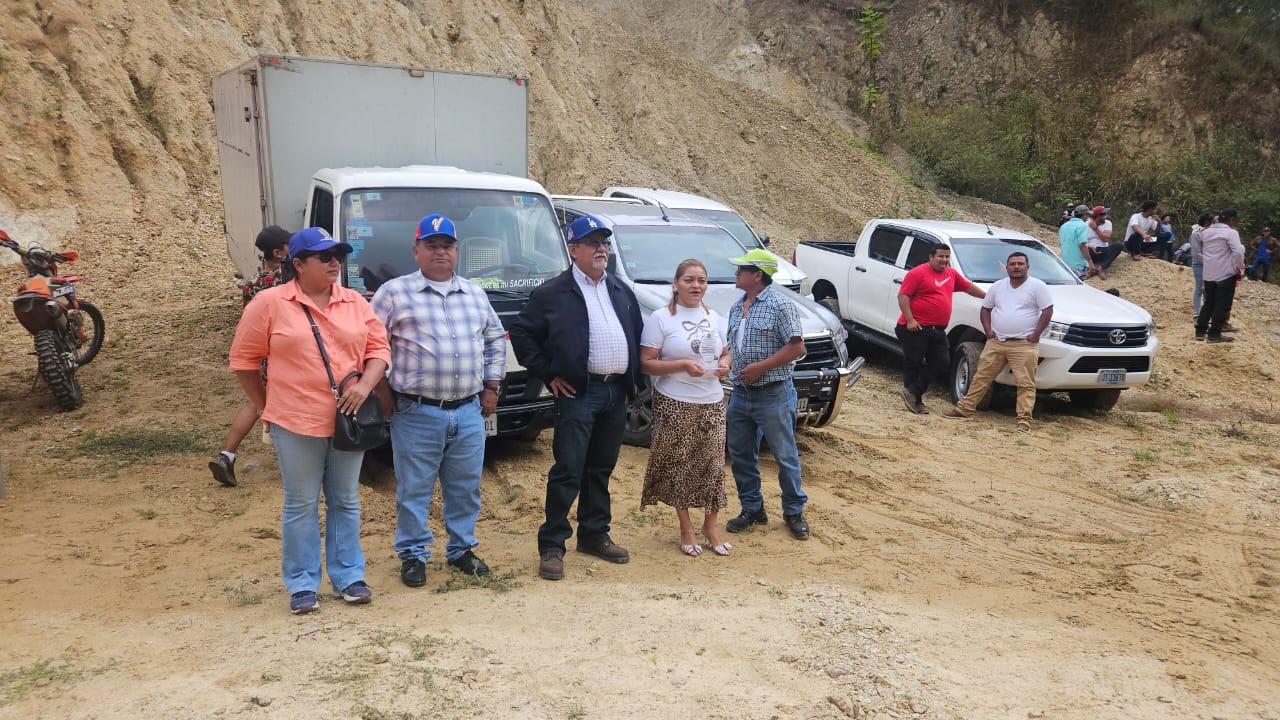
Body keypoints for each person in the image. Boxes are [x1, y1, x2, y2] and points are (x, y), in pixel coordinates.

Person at [229, 227, 390, 614]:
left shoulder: (355, 302)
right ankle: (302, 584)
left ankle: (349, 576)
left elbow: (379, 349)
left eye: (338, 255)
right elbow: (244, 361)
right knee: (301, 503)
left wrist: (366, 386)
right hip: (294, 422)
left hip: (347, 421)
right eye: (324, 256)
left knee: (345, 500)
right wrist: (265, 404)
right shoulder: (269, 304)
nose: (335, 262)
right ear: (297, 264)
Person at [370, 214, 507, 588]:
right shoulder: (394, 293)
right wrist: (381, 388)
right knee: (414, 489)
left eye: (447, 245)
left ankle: (461, 549)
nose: (440, 251)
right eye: (431, 245)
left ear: (456, 251)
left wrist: (492, 386)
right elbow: (368, 343)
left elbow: (495, 339)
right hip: (416, 411)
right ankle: (413, 555)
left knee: (465, 488)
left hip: (468, 410)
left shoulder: (474, 294)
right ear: (416, 251)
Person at [509, 214, 643, 581]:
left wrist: (632, 382)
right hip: (579, 393)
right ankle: (553, 545)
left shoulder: (619, 289)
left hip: (615, 393)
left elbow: (635, 334)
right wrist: (548, 373)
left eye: (605, 242)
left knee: (600, 469)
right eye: (593, 243)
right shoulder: (553, 293)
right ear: (573, 249)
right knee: (568, 469)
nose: (602, 249)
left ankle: (594, 535)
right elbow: (521, 334)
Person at [638, 259, 733, 557]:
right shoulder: (661, 318)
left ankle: (710, 526)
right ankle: (686, 528)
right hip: (675, 401)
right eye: (689, 280)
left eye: (701, 280)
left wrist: (724, 365)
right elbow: (646, 363)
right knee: (679, 465)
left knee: (713, 466)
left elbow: (727, 353)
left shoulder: (715, 317)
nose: (696, 286)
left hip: (712, 401)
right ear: (676, 283)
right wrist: (681, 365)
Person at [722, 248, 810, 540]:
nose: (736, 273)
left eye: (742, 269)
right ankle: (752, 508)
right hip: (741, 394)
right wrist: (725, 363)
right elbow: (734, 347)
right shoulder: (737, 307)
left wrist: (760, 368)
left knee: (785, 456)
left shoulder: (780, 305)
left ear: (757, 275)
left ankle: (793, 512)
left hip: (773, 393)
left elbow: (797, 347)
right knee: (741, 453)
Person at [210, 225, 291, 487]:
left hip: (262, 353)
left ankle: (227, 454)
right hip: (286, 352)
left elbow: (248, 318)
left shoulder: (252, 284)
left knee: (257, 403)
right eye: (290, 245)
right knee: (278, 406)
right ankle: (291, 461)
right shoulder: (288, 278)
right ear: (279, 252)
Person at [943, 252, 1053, 432]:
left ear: (1027, 266)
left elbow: (1047, 310)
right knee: (981, 377)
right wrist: (988, 331)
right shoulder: (998, 286)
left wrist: (1036, 334)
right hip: (997, 341)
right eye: (1012, 264)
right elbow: (986, 309)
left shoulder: (1037, 286)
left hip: (1024, 343)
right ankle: (964, 409)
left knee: (1025, 383)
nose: (1016, 267)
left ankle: (1024, 421)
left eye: (1020, 264)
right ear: (1006, 267)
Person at [894, 244, 986, 414]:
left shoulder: (951, 274)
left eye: (946, 256)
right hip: (916, 328)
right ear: (931, 257)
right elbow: (903, 296)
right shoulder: (917, 273)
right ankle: (915, 400)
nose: (944, 260)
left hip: (938, 330)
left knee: (942, 363)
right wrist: (910, 320)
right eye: (940, 256)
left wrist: (988, 298)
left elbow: (968, 287)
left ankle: (912, 391)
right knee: (913, 363)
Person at [1195, 208, 1247, 343]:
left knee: (1208, 303)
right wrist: (1241, 268)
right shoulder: (1231, 233)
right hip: (1225, 274)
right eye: (1236, 220)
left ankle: (1200, 331)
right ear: (1232, 220)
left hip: (1209, 274)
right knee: (1221, 304)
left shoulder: (1205, 232)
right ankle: (1214, 334)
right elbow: (1238, 253)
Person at [1059, 204, 1095, 278]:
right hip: (1078, 265)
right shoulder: (1082, 225)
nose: (1088, 218)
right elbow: (1082, 245)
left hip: (1065, 264)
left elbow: (1065, 243)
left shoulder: (1064, 226)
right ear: (1084, 215)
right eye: (1088, 215)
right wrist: (1090, 262)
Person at [1188, 213, 1211, 317]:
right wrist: (1210, 261)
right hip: (1199, 265)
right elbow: (1196, 254)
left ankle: (1206, 313)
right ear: (1206, 223)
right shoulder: (1196, 235)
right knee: (1199, 289)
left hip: (1209, 265)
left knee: (1207, 290)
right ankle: (1197, 314)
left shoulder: (1207, 234)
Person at [1086, 206, 1120, 276]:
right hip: (1090, 251)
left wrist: (1095, 228)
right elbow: (1081, 242)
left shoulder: (1108, 223)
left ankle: (1101, 267)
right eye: (1104, 214)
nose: (1106, 216)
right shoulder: (1086, 224)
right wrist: (1089, 246)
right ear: (1098, 216)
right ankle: (1092, 266)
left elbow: (1106, 239)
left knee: (1118, 245)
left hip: (1103, 249)